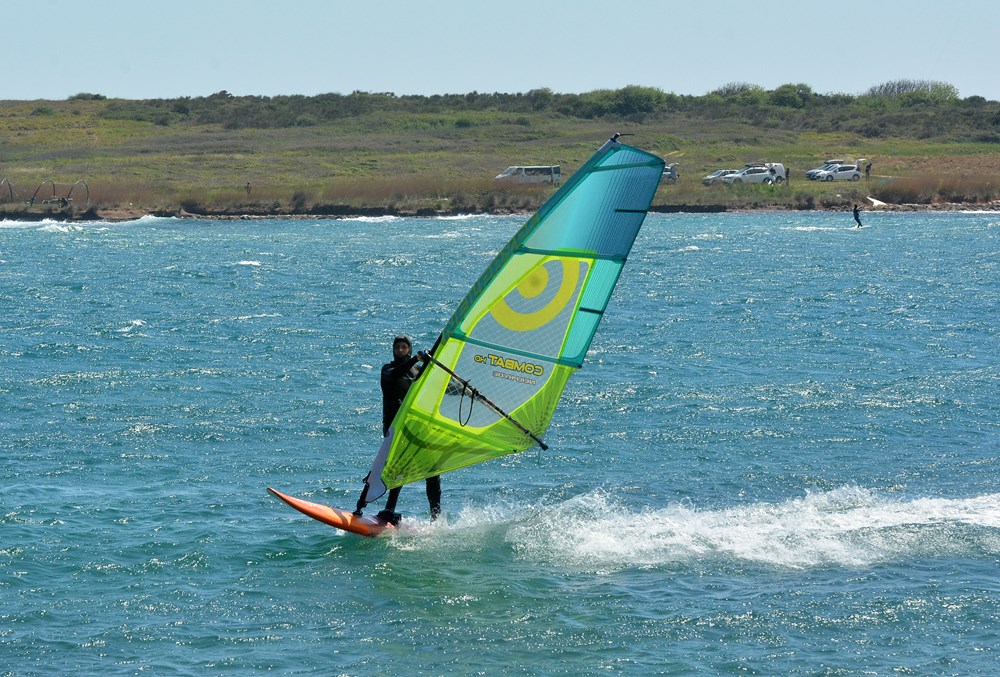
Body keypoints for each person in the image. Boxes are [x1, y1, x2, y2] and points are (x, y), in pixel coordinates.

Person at [376, 335, 441, 524]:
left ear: (409, 349)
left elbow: (439, 386)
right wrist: (417, 359)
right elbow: (395, 375)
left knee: (433, 470)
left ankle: (436, 518)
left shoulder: (418, 371)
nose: (400, 350)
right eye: (397, 347)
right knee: (399, 468)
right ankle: (389, 509)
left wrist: (470, 393)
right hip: (395, 427)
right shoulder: (387, 370)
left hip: (416, 428)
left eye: (404, 347)